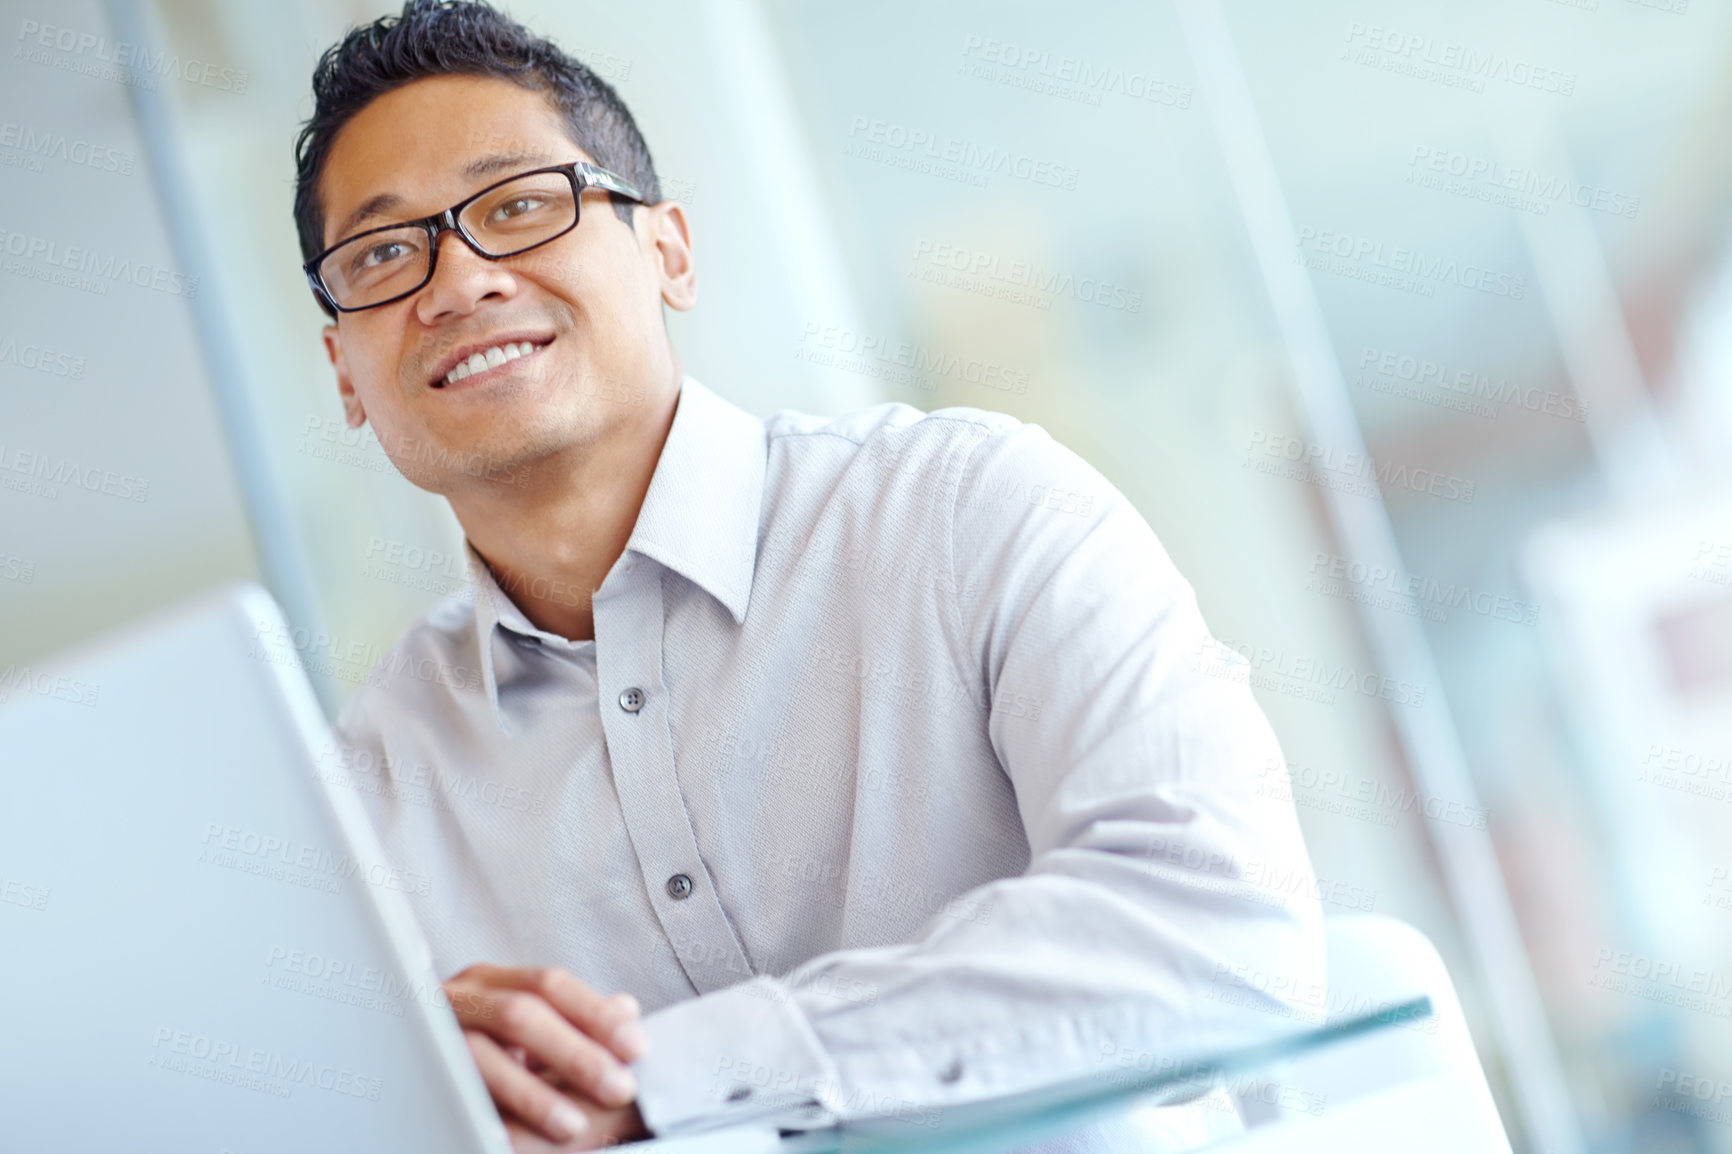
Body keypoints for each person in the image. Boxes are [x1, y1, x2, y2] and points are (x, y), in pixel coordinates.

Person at [298, 2, 1324, 1149]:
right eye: (382, 253)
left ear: (668, 250)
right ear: (344, 370)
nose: (457, 281)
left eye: (520, 205)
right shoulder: (367, 786)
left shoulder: (966, 511)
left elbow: (1223, 931)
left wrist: (663, 1078)